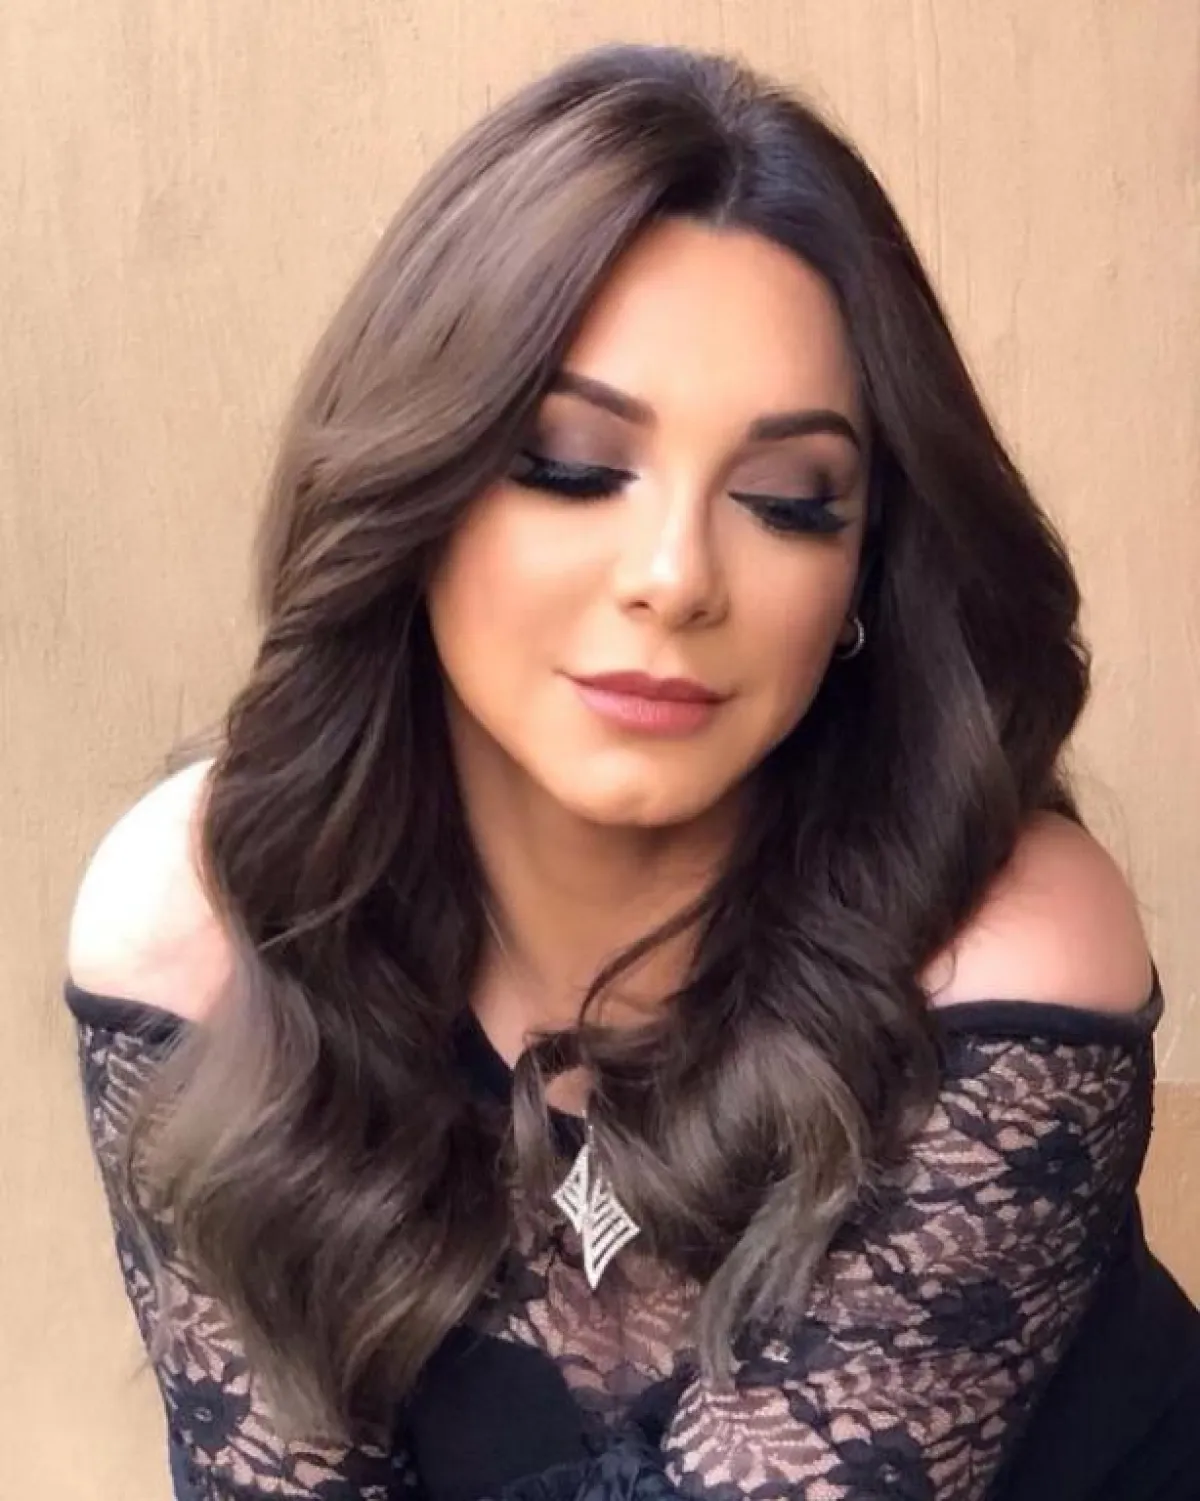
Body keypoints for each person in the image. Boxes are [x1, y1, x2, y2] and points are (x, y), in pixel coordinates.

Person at [65, 41, 1199, 1501]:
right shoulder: (198, 926)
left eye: (787, 500)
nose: (676, 576)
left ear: (864, 577)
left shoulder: (1012, 937)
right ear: (418, 494)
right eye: (568, 464)